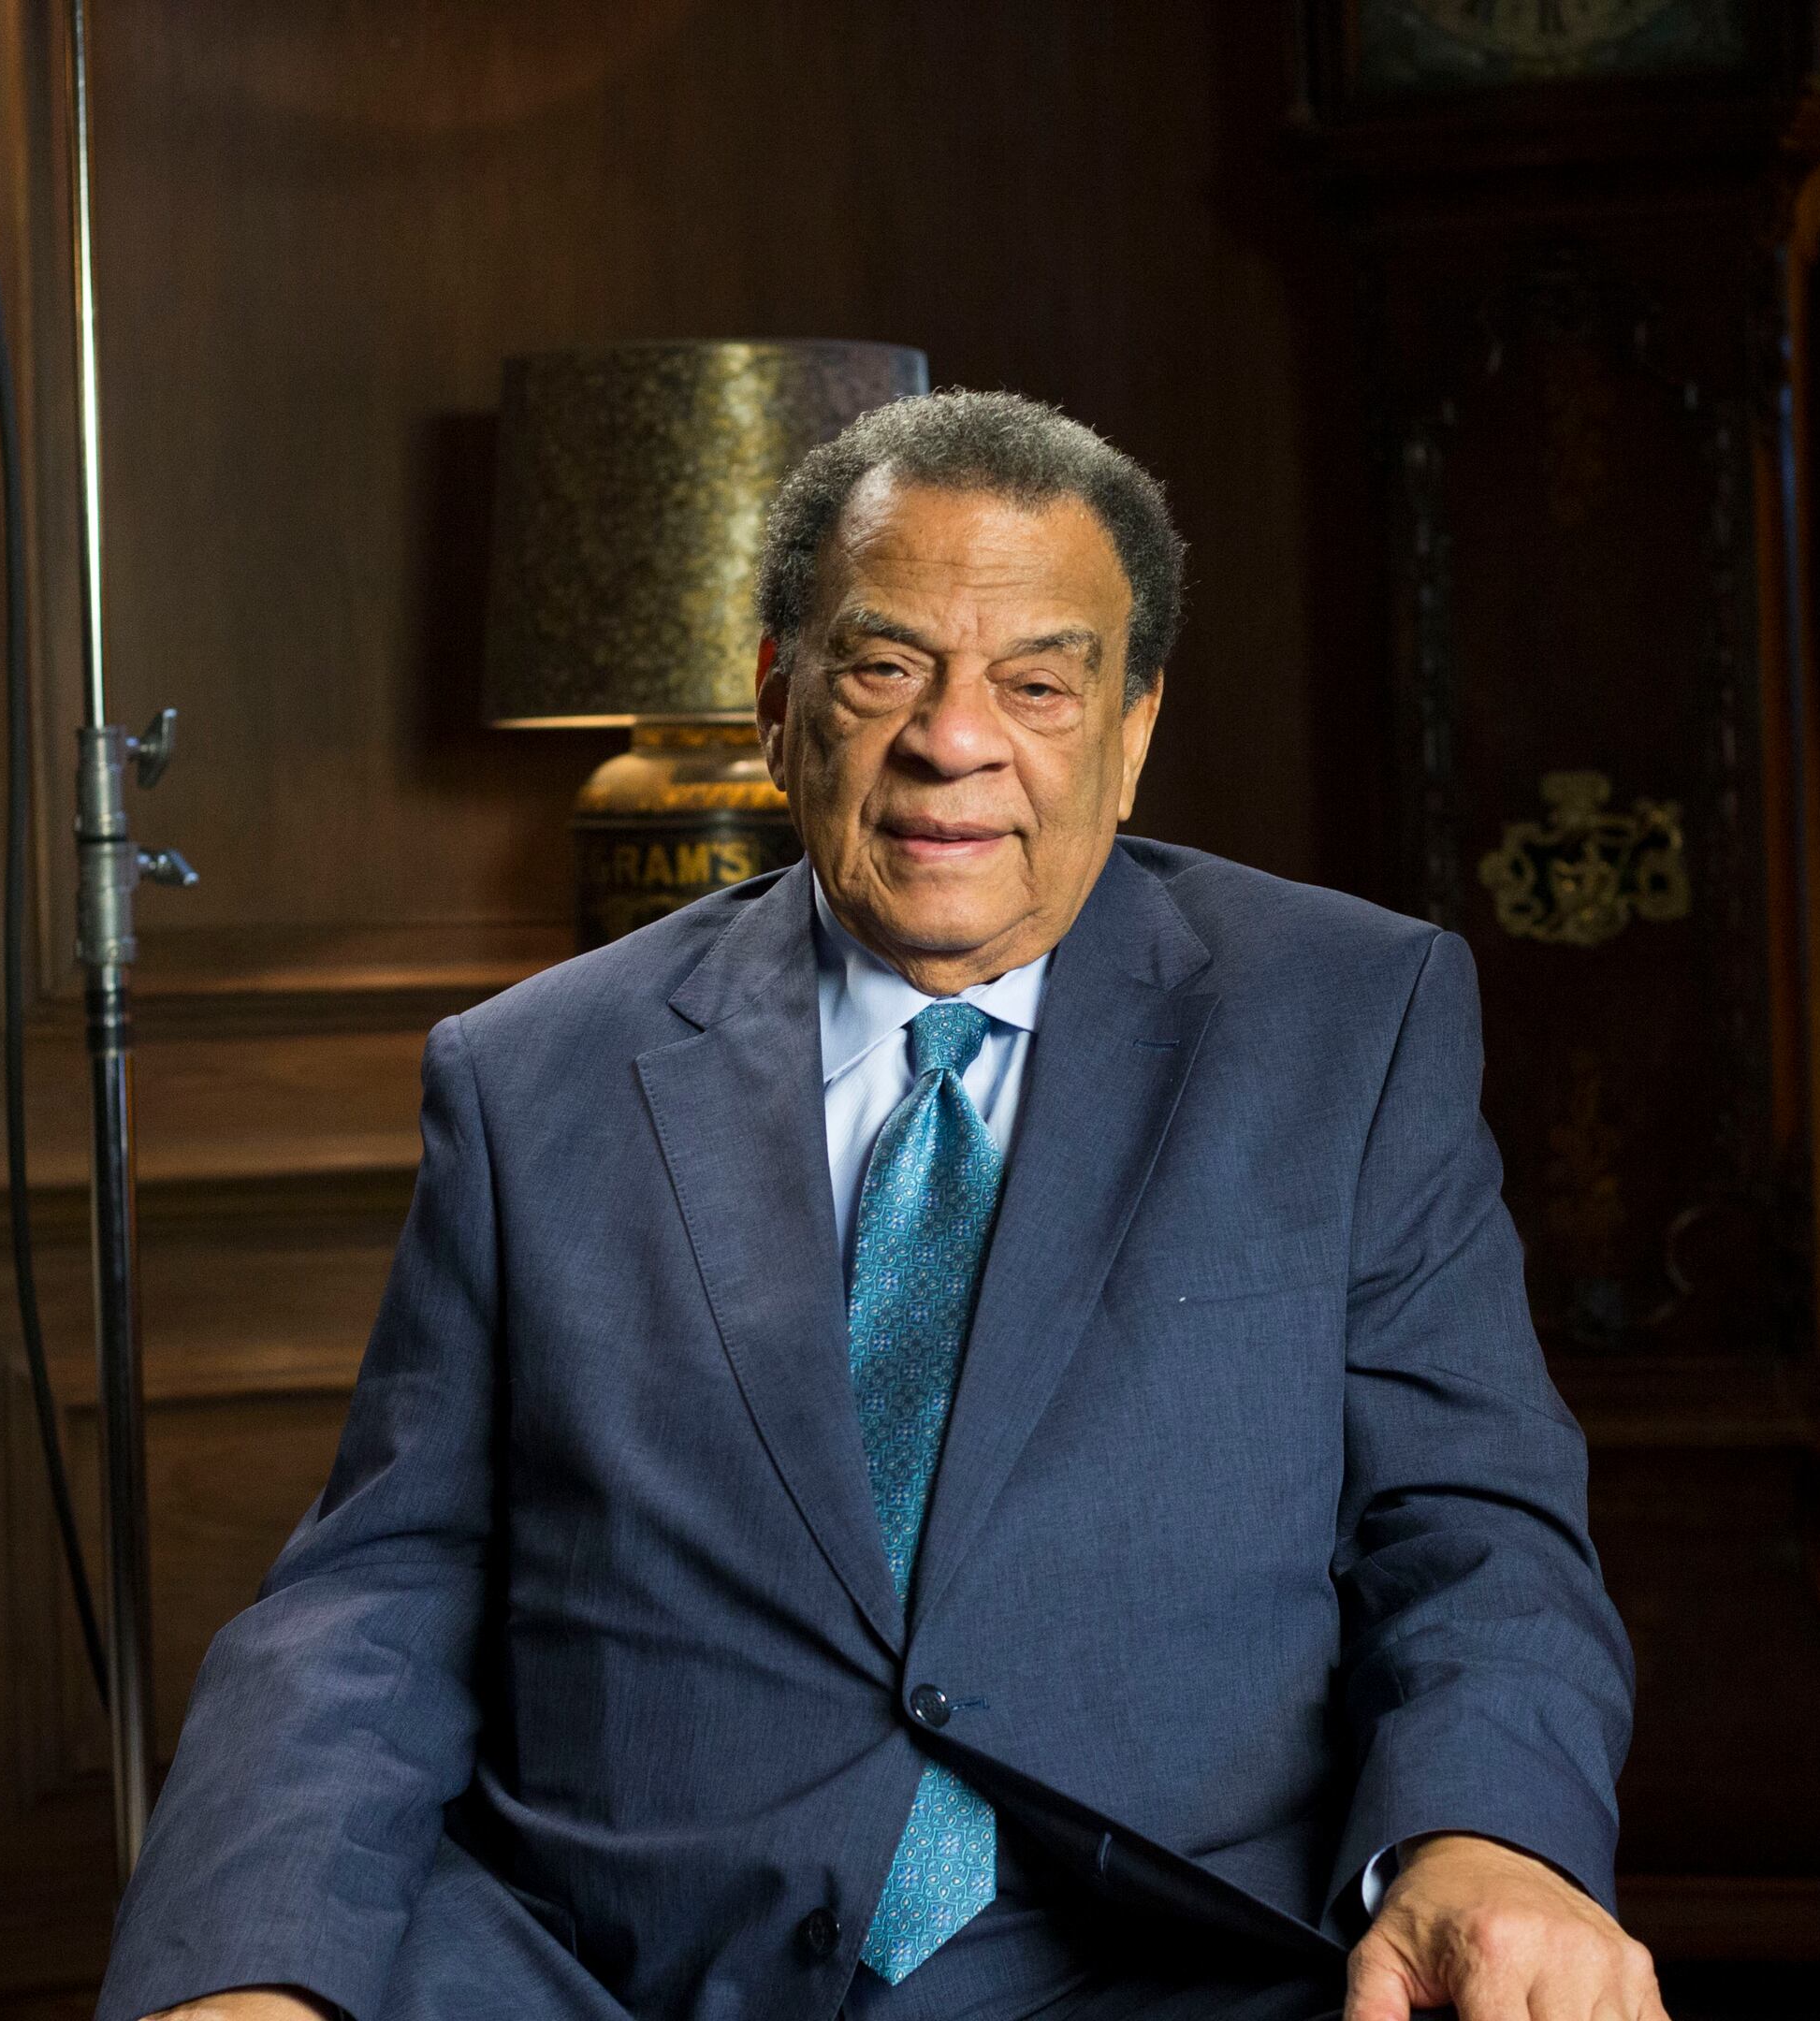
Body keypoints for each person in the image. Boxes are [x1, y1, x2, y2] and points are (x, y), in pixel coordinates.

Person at [96, 390, 1654, 2021]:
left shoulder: (1348, 1022)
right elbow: (375, 1595)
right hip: (607, 1971)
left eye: (1039, 685)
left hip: (1165, 1966)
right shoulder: (533, 1076)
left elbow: (1473, 1526)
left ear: (1131, 733)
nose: (954, 738)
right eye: (884, 665)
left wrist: (1493, 1838)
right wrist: (249, 1973)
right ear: (779, 702)